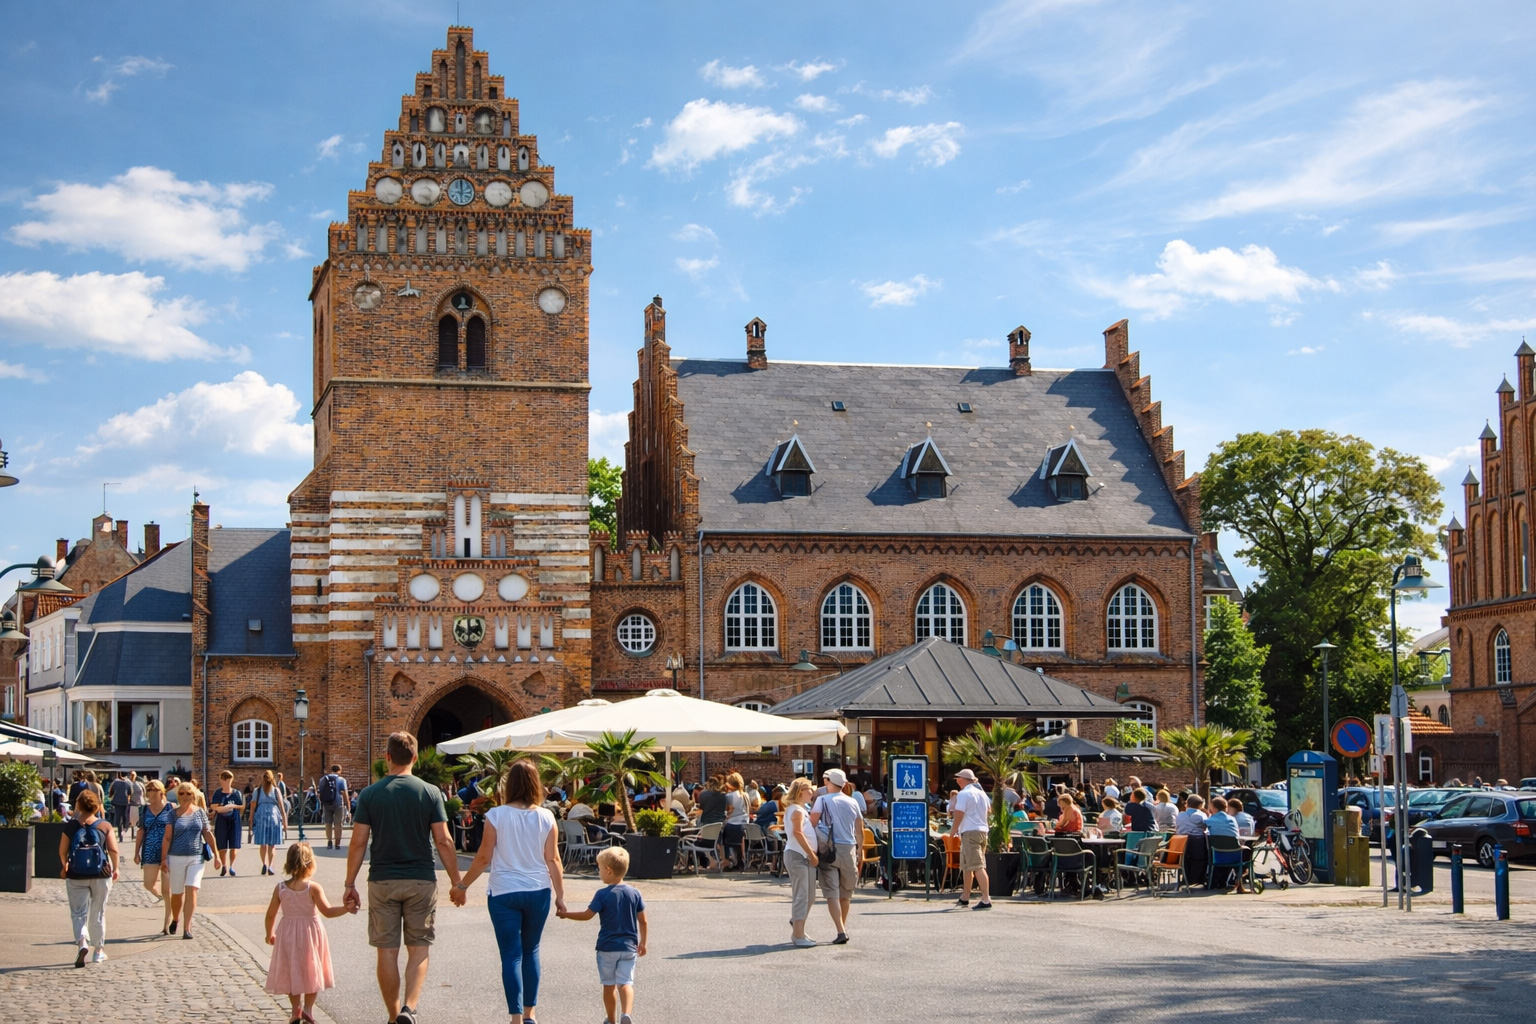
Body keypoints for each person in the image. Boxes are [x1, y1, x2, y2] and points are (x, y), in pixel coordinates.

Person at [345, 731, 464, 1024]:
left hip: (382, 879)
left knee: (386, 950)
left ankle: (391, 1014)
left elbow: (358, 842)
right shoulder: (430, 792)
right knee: (419, 947)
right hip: (421, 880)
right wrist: (456, 882)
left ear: (387, 757)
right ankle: (409, 1008)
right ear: (414, 758)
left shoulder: (371, 794)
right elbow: (444, 840)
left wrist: (350, 883)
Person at [453, 758, 566, 1024]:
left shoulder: (496, 815)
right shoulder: (546, 816)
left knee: (511, 954)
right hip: (538, 890)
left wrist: (461, 886)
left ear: (509, 784)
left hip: (504, 891)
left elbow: (483, 858)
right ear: (535, 784)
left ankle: (515, 1017)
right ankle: (530, 1014)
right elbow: (554, 860)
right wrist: (560, 897)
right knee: (532, 950)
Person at [265, 842, 353, 1024]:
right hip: (311, 933)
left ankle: (295, 1009)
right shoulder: (313, 888)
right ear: (310, 863)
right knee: (312, 970)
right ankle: (308, 1009)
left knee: (292, 970)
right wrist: (346, 909)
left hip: (287, 932)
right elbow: (327, 911)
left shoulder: (281, 888)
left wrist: (269, 934)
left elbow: (270, 914)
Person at [559, 846, 648, 1024]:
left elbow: (587, 915)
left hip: (607, 948)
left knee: (609, 986)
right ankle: (626, 1014)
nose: (598, 871)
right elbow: (643, 921)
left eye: (599, 868)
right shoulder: (634, 893)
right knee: (626, 983)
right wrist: (643, 943)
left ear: (608, 870)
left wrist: (566, 914)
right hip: (629, 947)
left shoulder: (602, 894)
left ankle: (611, 1020)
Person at [59, 789, 118, 967]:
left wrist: (65, 866)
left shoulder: (71, 826)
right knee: (98, 912)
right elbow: (114, 850)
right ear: (95, 806)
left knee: (78, 913)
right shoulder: (105, 825)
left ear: (78, 805)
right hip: (101, 874)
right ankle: (98, 951)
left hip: (76, 874)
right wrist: (116, 868)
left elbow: (62, 851)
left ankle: (82, 941)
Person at [811, 768, 864, 941]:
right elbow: (859, 829)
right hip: (849, 848)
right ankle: (843, 927)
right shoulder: (853, 801)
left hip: (829, 849)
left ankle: (841, 930)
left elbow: (811, 823)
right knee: (846, 892)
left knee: (831, 892)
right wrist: (860, 849)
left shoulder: (821, 800)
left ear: (827, 781)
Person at [163, 781, 218, 939]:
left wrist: (217, 856)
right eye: (181, 793)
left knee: (192, 889)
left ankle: (187, 928)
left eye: (188, 793)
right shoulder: (172, 814)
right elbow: (167, 838)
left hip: (196, 856)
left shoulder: (200, 812)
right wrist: (163, 859)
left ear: (193, 795)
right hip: (176, 857)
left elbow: (207, 833)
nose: (185, 796)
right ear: (177, 796)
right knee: (177, 894)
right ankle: (175, 919)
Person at [781, 777, 819, 947]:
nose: (812, 792)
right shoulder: (796, 810)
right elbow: (797, 833)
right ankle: (798, 935)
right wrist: (812, 854)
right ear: (801, 791)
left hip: (803, 856)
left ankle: (798, 925)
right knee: (802, 895)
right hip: (798, 855)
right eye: (809, 789)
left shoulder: (800, 809)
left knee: (809, 895)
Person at [135, 778, 176, 934]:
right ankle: (163, 899)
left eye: (152, 790)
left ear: (161, 792)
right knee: (148, 883)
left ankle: (167, 923)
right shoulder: (144, 810)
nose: (149, 793)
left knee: (167, 889)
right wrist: (136, 852)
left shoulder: (171, 809)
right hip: (150, 851)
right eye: (148, 790)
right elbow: (141, 831)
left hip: (168, 853)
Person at [948, 768, 992, 911]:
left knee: (977, 865)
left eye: (958, 778)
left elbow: (959, 814)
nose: (957, 780)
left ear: (961, 780)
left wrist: (953, 831)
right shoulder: (982, 794)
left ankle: (986, 899)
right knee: (968, 865)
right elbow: (989, 811)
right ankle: (965, 896)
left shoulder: (964, 794)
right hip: (982, 831)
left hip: (970, 832)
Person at [210, 770, 245, 876]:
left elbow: (242, 806)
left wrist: (232, 807)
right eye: (224, 779)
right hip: (221, 820)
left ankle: (232, 866)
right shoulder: (218, 793)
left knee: (234, 845)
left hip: (234, 819)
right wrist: (222, 808)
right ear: (221, 780)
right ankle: (224, 865)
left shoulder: (237, 793)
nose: (227, 781)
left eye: (229, 779)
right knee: (222, 845)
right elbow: (213, 806)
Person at [252, 770, 287, 875]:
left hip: (261, 817)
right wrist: (285, 821)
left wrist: (250, 822)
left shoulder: (257, 791)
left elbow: (253, 807)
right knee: (272, 845)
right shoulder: (276, 790)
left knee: (263, 844)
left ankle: (264, 864)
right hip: (273, 817)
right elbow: (282, 806)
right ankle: (271, 866)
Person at [721, 773, 750, 871]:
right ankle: (740, 861)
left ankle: (727, 860)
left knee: (721, 836)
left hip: (733, 823)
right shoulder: (746, 795)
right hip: (745, 823)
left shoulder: (729, 796)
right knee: (740, 841)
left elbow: (727, 811)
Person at [319, 764, 349, 851]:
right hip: (338, 804)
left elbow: (320, 793)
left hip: (327, 803)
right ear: (339, 770)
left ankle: (329, 841)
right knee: (338, 823)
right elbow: (345, 794)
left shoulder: (322, 780)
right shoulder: (341, 780)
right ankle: (337, 843)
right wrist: (348, 805)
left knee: (328, 823)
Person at [127, 771, 144, 838]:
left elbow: (144, 793)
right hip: (133, 803)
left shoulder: (139, 784)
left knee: (141, 819)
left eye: (133, 775)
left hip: (141, 803)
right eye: (131, 775)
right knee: (134, 820)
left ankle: (141, 833)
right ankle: (133, 833)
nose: (132, 776)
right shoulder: (128, 783)